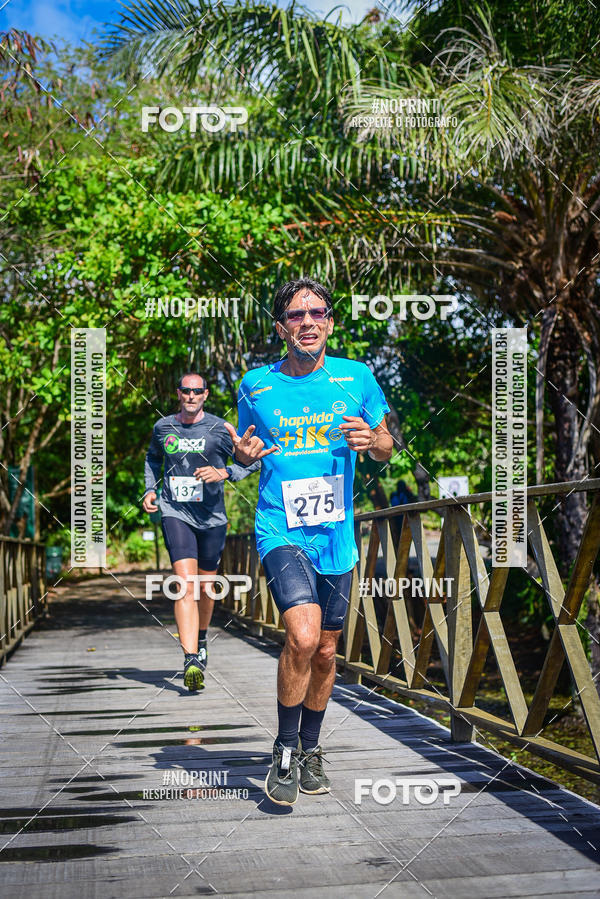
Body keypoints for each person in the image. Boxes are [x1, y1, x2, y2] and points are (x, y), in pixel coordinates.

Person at [224, 278, 393, 805]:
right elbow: (242, 454)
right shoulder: (256, 385)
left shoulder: (357, 377)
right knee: (301, 635)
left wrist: (375, 442)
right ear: (281, 328)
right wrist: (244, 460)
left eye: (318, 313)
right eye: (296, 316)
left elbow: (387, 444)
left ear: (331, 323)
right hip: (281, 528)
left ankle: (311, 749)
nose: (308, 322)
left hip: (337, 535)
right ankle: (282, 749)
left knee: (325, 649)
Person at [143, 372, 259, 691]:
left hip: (212, 517)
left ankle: (202, 635)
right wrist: (149, 490)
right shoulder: (163, 427)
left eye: (197, 391)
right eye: (186, 391)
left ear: (206, 395)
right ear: (178, 393)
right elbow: (153, 459)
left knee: (207, 588)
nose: (191, 396)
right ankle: (191, 657)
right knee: (185, 585)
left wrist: (224, 472)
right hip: (175, 511)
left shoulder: (221, 429)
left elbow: (253, 461)